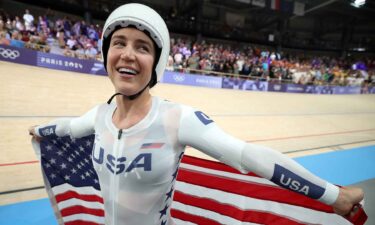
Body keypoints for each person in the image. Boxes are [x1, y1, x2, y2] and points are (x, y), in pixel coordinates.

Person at [29, 3, 364, 225]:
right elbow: (68, 128)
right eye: (119, 43)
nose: (127, 55)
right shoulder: (98, 116)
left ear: (156, 62)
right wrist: (39, 130)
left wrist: (333, 196)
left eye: (142, 47)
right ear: (107, 52)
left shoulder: (177, 119)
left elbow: (251, 156)